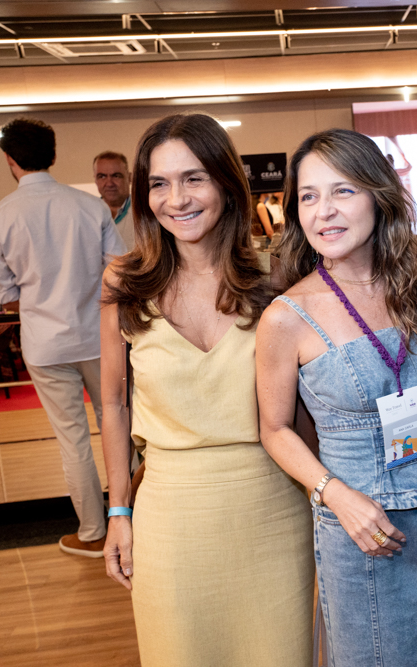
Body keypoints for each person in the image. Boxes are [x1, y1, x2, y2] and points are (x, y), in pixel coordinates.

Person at [100, 113, 313, 666]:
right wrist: (118, 513)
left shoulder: (276, 278)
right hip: (170, 515)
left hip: (273, 510)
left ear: (225, 182)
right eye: (159, 183)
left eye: (194, 178)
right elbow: (115, 403)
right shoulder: (124, 282)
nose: (177, 199)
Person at [257, 128, 417, 667]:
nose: (324, 211)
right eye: (308, 195)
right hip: (361, 534)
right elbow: (274, 429)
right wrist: (335, 496)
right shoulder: (286, 317)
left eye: (343, 190)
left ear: (379, 195)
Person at [0, 117, 124, 558]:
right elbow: (120, 270)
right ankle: (139, 518)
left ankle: (92, 533)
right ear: (54, 155)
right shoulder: (89, 207)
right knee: (120, 424)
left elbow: (5, 297)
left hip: (46, 345)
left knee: (72, 439)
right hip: (100, 337)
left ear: (10, 161)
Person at [93, 150, 136, 251]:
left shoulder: (145, 212)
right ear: (95, 180)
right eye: (102, 176)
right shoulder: (88, 214)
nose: (109, 183)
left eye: (116, 176)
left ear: (129, 177)